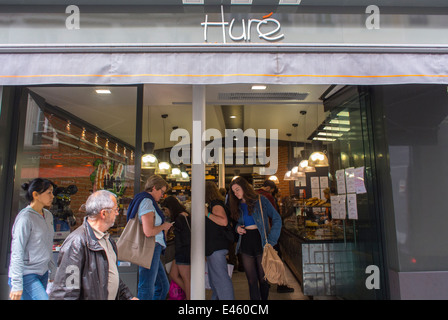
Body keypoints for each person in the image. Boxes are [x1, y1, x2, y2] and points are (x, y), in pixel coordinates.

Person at [49, 190, 136, 300]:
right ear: (104, 213)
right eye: (115, 210)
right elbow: (66, 291)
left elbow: (109, 277)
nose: (117, 213)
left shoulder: (108, 241)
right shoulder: (76, 243)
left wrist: (128, 297)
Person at [228, 176, 282, 300]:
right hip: (246, 242)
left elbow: (277, 218)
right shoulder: (237, 204)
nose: (236, 193)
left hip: (261, 241)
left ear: (244, 187)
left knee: (263, 279)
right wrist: (237, 228)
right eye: (233, 191)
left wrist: (272, 240)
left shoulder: (260, 200)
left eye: (237, 189)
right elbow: (236, 222)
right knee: (251, 280)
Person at [126, 175, 173, 300]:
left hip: (153, 247)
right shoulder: (147, 202)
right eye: (161, 191)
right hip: (150, 246)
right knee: (147, 286)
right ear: (154, 188)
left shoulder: (143, 199)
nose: (162, 195)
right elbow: (148, 231)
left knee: (162, 286)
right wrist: (163, 226)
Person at [9, 178, 56, 300]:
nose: (52, 196)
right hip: (26, 274)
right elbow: (17, 251)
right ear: (35, 195)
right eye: (49, 192)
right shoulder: (25, 218)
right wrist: (17, 284)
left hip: (43, 273)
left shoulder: (48, 216)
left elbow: (47, 245)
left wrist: (53, 270)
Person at [205, 181, 235, 300]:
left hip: (216, 246)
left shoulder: (215, 205)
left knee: (221, 280)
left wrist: (207, 214)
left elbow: (223, 221)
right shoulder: (216, 204)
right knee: (216, 280)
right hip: (215, 246)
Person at [161, 195, 191, 300]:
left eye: (166, 209)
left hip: (183, 250)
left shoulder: (179, 218)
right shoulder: (184, 215)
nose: (166, 212)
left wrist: (166, 230)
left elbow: (182, 236)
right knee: (173, 274)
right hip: (182, 250)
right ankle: (192, 294)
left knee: (186, 278)